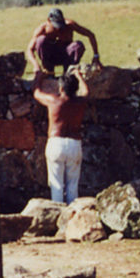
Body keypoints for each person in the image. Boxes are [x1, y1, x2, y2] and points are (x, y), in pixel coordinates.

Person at [32, 68, 89, 204]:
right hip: (75, 144)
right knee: (72, 186)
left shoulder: (53, 101)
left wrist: (39, 77)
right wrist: (79, 76)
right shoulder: (80, 102)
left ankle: (56, 216)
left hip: (56, 144)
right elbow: (87, 92)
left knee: (56, 185)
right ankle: (72, 218)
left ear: (61, 88)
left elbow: (36, 92)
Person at [26, 7, 101, 75]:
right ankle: (49, 73)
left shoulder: (70, 24)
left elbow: (91, 35)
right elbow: (29, 49)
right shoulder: (42, 29)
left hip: (66, 56)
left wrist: (96, 56)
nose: (58, 29)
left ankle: (69, 73)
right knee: (40, 40)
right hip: (50, 57)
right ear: (49, 20)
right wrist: (36, 65)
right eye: (56, 25)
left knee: (78, 45)